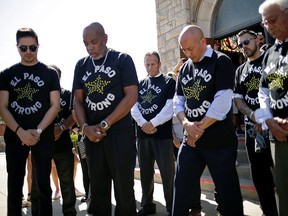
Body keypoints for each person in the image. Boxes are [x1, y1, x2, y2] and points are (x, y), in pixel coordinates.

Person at [172, 25, 243, 216]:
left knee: (228, 194)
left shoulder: (221, 62)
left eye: (190, 49)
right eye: (183, 49)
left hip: (219, 141)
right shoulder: (185, 68)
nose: (187, 54)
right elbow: (178, 101)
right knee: (180, 188)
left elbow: (223, 101)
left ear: (203, 41)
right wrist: (186, 124)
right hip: (191, 141)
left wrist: (198, 129)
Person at [72, 22, 138, 216]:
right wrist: (85, 128)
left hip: (119, 134)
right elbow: (77, 100)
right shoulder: (81, 65)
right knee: (98, 190)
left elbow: (132, 96)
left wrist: (105, 123)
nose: (90, 47)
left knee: (124, 189)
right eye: (86, 43)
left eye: (94, 42)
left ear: (105, 38)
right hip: (92, 136)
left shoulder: (122, 60)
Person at [0, 27, 60, 216]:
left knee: (43, 185)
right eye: (23, 48)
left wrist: (38, 131)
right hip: (15, 136)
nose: (28, 52)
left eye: (32, 48)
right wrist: (20, 132)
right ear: (17, 47)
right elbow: (2, 107)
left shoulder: (50, 73)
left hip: (43, 136)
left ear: (38, 46)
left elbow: (55, 105)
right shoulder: (7, 74)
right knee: (15, 185)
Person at [234, 29, 278, 216]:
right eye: (240, 44)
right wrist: (254, 116)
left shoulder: (271, 61)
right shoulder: (239, 71)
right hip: (253, 129)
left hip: (275, 125)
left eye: (246, 42)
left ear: (257, 41)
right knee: (260, 176)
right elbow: (238, 99)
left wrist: (267, 116)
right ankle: (269, 211)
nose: (243, 47)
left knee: (281, 170)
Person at [131, 51, 176, 215]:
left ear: (159, 64)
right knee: (145, 173)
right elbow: (133, 106)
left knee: (167, 174)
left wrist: (153, 123)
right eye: (147, 64)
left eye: (153, 64)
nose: (150, 67)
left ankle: (172, 207)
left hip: (162, 135)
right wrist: (143, 124)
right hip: (143, 135)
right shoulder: (139, 84)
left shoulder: (169, 82)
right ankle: (147, 206)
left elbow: (170, 107)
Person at [258, 1, 288, 215]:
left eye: (273, 20)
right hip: (277, 134)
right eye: (265, 22)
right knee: (284, 194)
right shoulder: (269, 53)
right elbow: (263, 92)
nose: (269, 26)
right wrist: (268, 120)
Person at [49, 64, 77, 215]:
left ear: (59, 77)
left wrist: (60, 128)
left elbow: (74, 114)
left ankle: (70, 212)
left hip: (64, 146)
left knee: (67, 183)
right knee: (40, 183)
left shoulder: (67, 94)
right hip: (43, 146)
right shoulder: (40, 94)